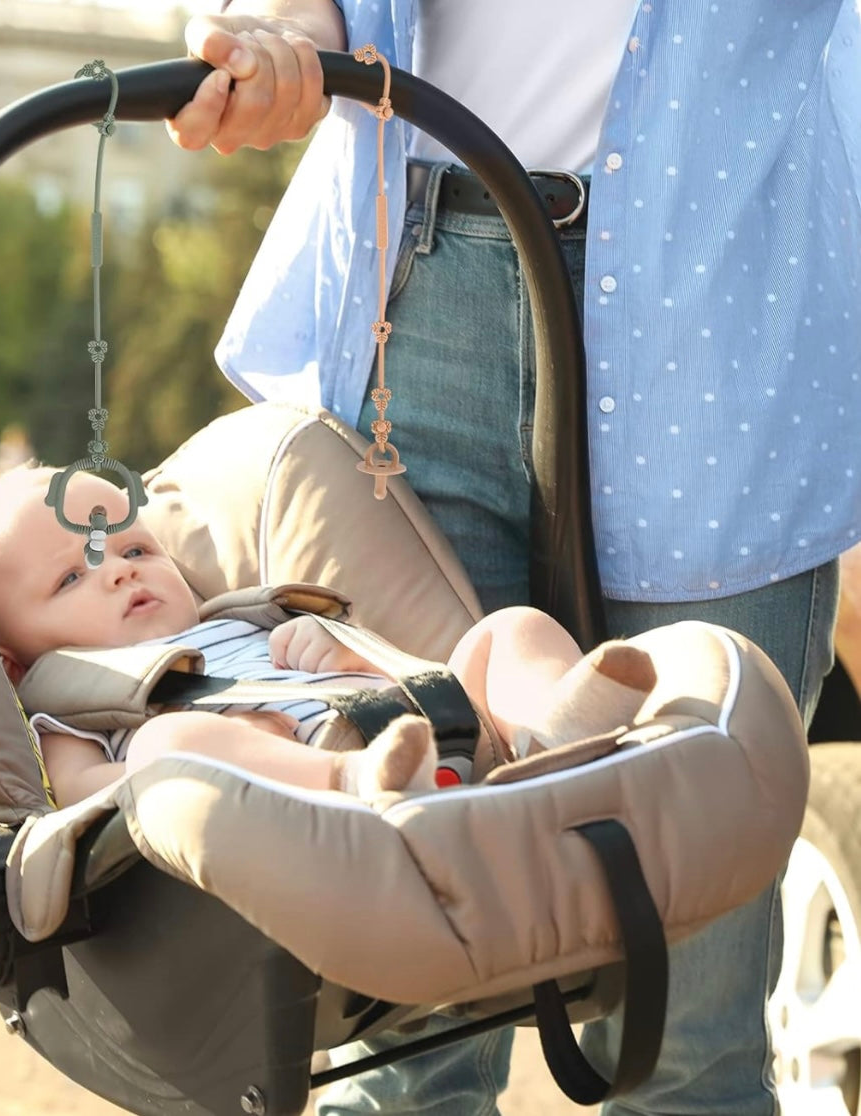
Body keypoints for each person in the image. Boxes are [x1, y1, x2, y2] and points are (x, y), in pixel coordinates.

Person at [167, 4, 861, 1114]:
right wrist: (281, 33)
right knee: (409, 1016)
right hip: (422, 302)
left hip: (724, 312)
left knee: (691, 1023)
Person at [0, 464, 658, 809]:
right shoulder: (70, 703)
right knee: (167, 744)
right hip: (323, 797)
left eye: (133, 551)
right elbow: (80, 792)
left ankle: (554, 738)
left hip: (438, 735)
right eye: (71, 580)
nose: (120, 576)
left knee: (510, 631)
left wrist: (352, 652)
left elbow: (411, 673)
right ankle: (365, 779)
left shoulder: (247, 622)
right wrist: (216, 757)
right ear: (15, 662)